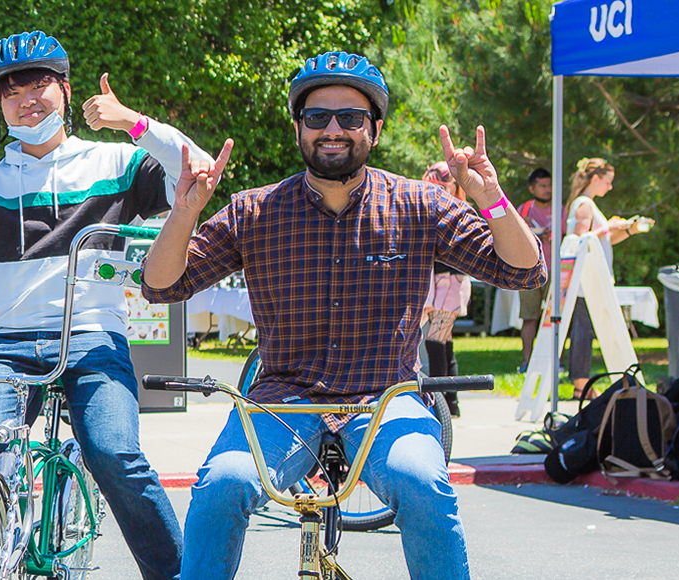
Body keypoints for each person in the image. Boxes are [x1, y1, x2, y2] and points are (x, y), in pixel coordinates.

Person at [140, 51, 545, 580]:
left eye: (350, 118)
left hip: (387, 398)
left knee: (422, 482)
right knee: (223, 485)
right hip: (283, 400)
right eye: (317, 118)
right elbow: (161, 284)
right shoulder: (253, 210)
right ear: (298, 128)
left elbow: (523, 271)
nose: (333, 129)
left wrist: (491, 198)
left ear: (373, 129)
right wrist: (186, 211)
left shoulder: (421, 205)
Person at [0, 30, 212, 580]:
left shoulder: (116, 163)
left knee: (113, 453)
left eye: (40, 84)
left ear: (66, 90)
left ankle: (177, 573)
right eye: (11, 90)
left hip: (93, 339)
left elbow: (196, 170)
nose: (27, 97)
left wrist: (131, 121)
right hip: (8, 347)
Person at [564, 158, 653, 387]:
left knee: (588, 331)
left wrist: (629, 231)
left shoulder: (587, 203)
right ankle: (580, 385)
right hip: (586, 281)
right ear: (595, 179)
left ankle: (584, 383)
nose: (610, 187)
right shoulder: (584, 203)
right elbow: (580, 239)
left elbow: (604, 239)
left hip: (595, 279)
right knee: (583, 332)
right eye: (608, 181)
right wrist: (609, 226)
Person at [420, 161, 470, 417]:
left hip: (451, 279)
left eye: (443, 185)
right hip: (436, 278)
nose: (438, 190)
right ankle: (451, 402)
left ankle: (437, 403)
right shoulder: (430, 210)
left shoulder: (459, 210)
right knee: (445, 342)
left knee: (436, 340)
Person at [516, 168, 554, 371]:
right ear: (532, 188)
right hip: (529, 270)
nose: (547, 190)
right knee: (530, 317)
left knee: (555, 317)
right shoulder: (524, 209)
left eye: (549, 185)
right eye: (543, 186)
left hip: (556, 270)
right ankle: (527, 362)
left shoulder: (561, 209)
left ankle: (554, 361)